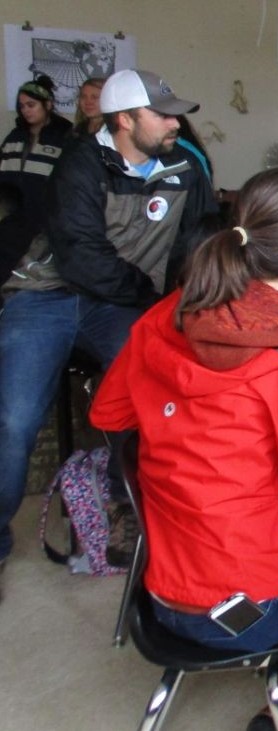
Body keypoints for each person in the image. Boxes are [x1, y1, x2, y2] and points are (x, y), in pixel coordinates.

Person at [89, 167, 278, 731]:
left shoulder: (173, 312)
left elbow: (110, 414)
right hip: (245, 605)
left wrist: (191, 434)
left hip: (164, 581)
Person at [0, 68, 216, 570]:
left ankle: (128, 506)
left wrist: (185, 304)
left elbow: (202, 240)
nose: (175, 124)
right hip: (48, 295)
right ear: (124, 119)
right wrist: (150, 298)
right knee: (13, 419)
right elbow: (82, 258)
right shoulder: (79, 166)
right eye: (162, 115)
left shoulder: (185, 168)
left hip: (119, 303)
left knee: (147, 396)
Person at [0, 75, 74, 233]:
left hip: (47, 222)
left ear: (47, 104)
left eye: (31, 105)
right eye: (22, 106)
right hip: (11, 219)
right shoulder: (15, 136)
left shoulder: (65, 137)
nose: (25, 111)